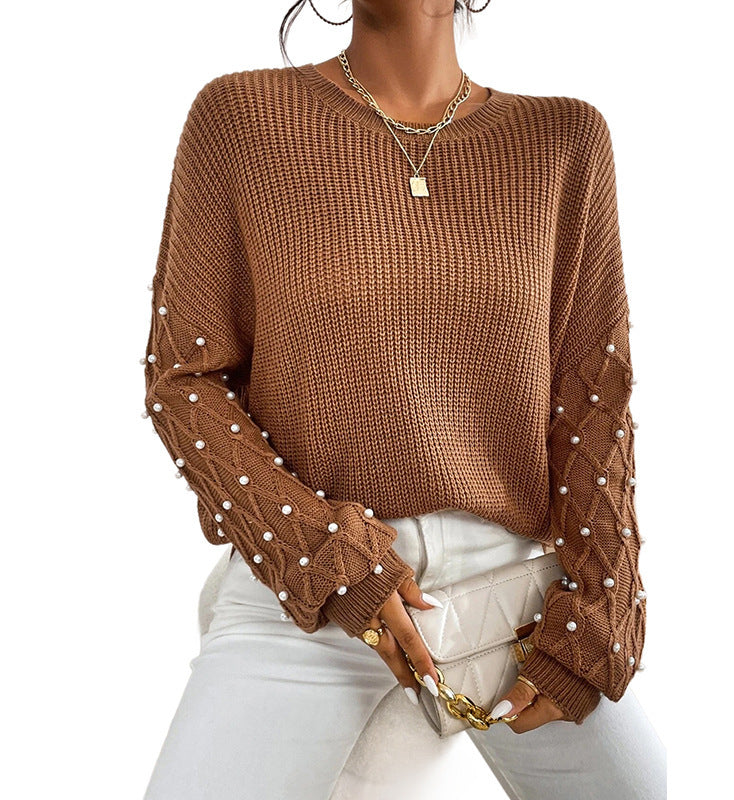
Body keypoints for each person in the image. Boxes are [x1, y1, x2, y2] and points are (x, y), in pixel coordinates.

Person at [140, 1, 666, 797]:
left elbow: (594, 404)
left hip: (512, 589)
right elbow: (184, 380)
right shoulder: (240, 119)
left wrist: (603, 608)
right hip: (311, 586)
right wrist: (324, 556)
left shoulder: (566, 140)